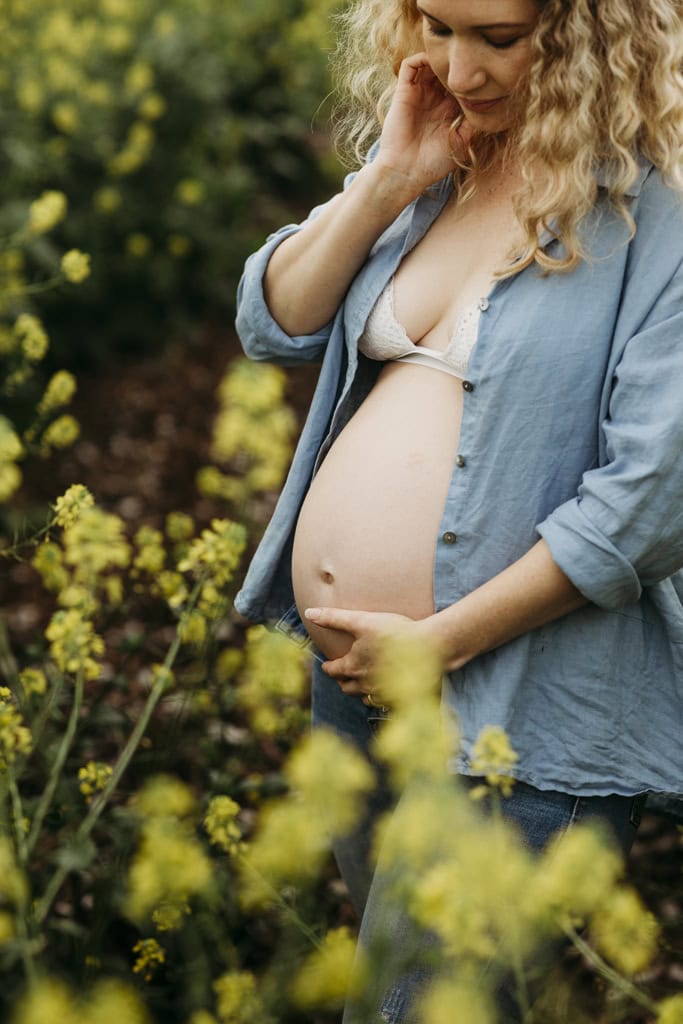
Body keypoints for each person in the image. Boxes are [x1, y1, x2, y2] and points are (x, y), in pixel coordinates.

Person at [235, 0, 683, 1018]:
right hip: (357, 692)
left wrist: (436, 644)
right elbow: (276, 318)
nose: (458, 66)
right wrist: (386, 182)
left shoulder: (655, 215)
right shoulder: (440, 165)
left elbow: (646, 502)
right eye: (435, 25)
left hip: (515, 715)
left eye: (498, 37)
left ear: (583, 35)